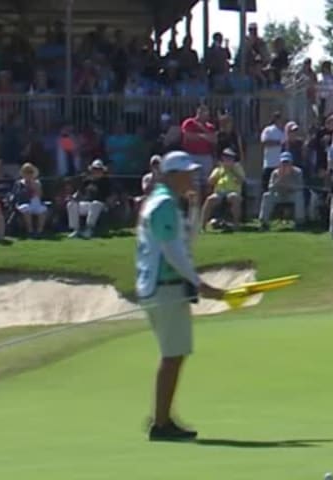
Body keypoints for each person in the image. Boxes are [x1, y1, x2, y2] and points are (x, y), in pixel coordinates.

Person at [136, 150, 226, 442]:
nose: (192, 176)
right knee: (172, 355)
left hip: (166, 286)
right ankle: (161, 424)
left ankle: (162, 417)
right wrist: (199, 283)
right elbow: (172, 251)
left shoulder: (170, 203)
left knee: (174, 355)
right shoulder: (163, 204)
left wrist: (196, 207)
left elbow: (187, 242)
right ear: (172, 175)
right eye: (187, 172)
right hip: (165, 287)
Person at [200, 148, 245, 231]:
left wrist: (232, 171)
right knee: (210, 199)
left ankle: (236, 225)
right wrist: (221, 173)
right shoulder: (218, 169)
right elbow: (210, 182)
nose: (228, 159)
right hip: (219, 192)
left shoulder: (237, 167)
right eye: (226, 157)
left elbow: (242, 180)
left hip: (233, 191)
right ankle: (203, 225)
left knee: (234, 197)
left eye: (230, 157)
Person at [67, 159, 113, 239]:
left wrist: (109, 204)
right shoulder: (87, 181)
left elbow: (110, 196)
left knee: (95, 204)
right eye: (95, 169)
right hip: (87, 203)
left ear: (102, 171)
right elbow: (79, 192)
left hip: (101, 205)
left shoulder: (106, 182)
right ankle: (76, 230)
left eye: (98, 169)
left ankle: (89, 229)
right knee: (71, 204)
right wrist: (73, 197)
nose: (96, 171)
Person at [259, 153, 306, 230]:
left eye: (287, 162)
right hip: (279, 195)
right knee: (266, 195)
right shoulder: (275, 173)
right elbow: (270, 187)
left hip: (291, 195)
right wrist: (280, 178)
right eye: (283, 163)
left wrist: (289, 186)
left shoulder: (298, 172)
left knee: (299, 196)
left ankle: (299, 222)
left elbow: (300, 187)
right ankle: (264, 222)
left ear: (291, 163)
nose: (285, 165)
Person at [179, 104, 217, 195]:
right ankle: (194, 205)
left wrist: (202, 129)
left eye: (206, 112)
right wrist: (203, 136)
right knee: (194, 183)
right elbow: (188, 136)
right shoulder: (189, 122)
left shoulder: (210, 127)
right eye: (202, 112)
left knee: (207, 182)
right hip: (191, 155)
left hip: (206, 156)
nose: (204, 114)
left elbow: (214, 140)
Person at [14, 162, 48, 238]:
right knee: (26, 209)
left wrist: (34, 186)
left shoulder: (37, 183)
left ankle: (40, 231)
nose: (28, 174)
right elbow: (18, 195)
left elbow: (40, 195)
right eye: (27, 172)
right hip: (24, 202)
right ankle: (30, 231)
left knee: (43, 210)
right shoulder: (19, 183)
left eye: (30, 172)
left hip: (36, 203)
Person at [260, 112, 285, 193]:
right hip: (269, 164)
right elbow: (265, 142)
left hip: (280, 165)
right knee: (266, 188)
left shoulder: (283, 132)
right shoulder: (268, 130)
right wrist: (278, 143)